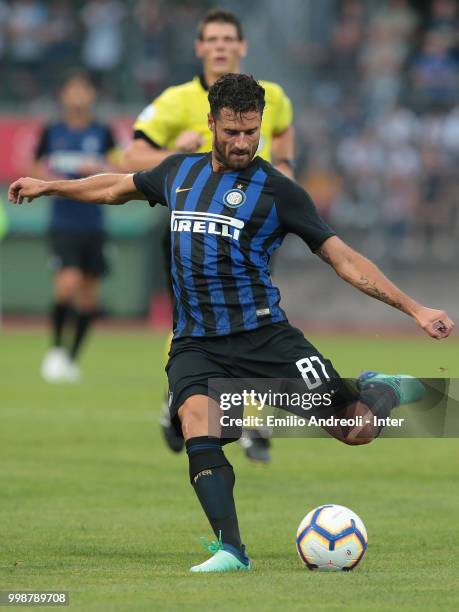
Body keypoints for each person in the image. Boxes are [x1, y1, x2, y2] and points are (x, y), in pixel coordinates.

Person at [9, 74, 454, 573]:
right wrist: (52, 186)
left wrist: (415, 308)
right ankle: (231, 551)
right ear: (211, 124)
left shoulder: (280, 192)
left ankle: (382, 388)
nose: (242, 143)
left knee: (357, 430)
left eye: (251, 132)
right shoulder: (179, 172)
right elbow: (115, 186)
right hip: (196, 342)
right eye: (232, 132)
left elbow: (344, 259)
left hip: (264, 337)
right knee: (195, 422)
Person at [123, 7, 295, 463]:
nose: (220, 46)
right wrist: (168, 149)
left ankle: (246, 419)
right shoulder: (177, 99)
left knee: (255, 319)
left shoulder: (273, 95)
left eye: (228, 39)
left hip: (251, 229)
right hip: (192, 231)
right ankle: (183, 396)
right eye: (212, 39)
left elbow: (284, 133)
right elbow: (131, 152)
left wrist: (289, 170)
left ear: (243, 46)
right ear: (199, 47)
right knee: (193, 320)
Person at [29, 70, 116, 382]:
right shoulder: (52, 131)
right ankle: (54, 350)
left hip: (94, 223)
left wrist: (99, 168)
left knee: (89, 297)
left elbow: (117, 166)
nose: (78, 95)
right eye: (72, 89)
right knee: (67, 284)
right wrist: (61, 176)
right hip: (63, 221)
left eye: (84, 89)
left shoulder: (103, 132)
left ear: (92, 95)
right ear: (63, 95)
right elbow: (35, 167)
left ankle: (70, 358)